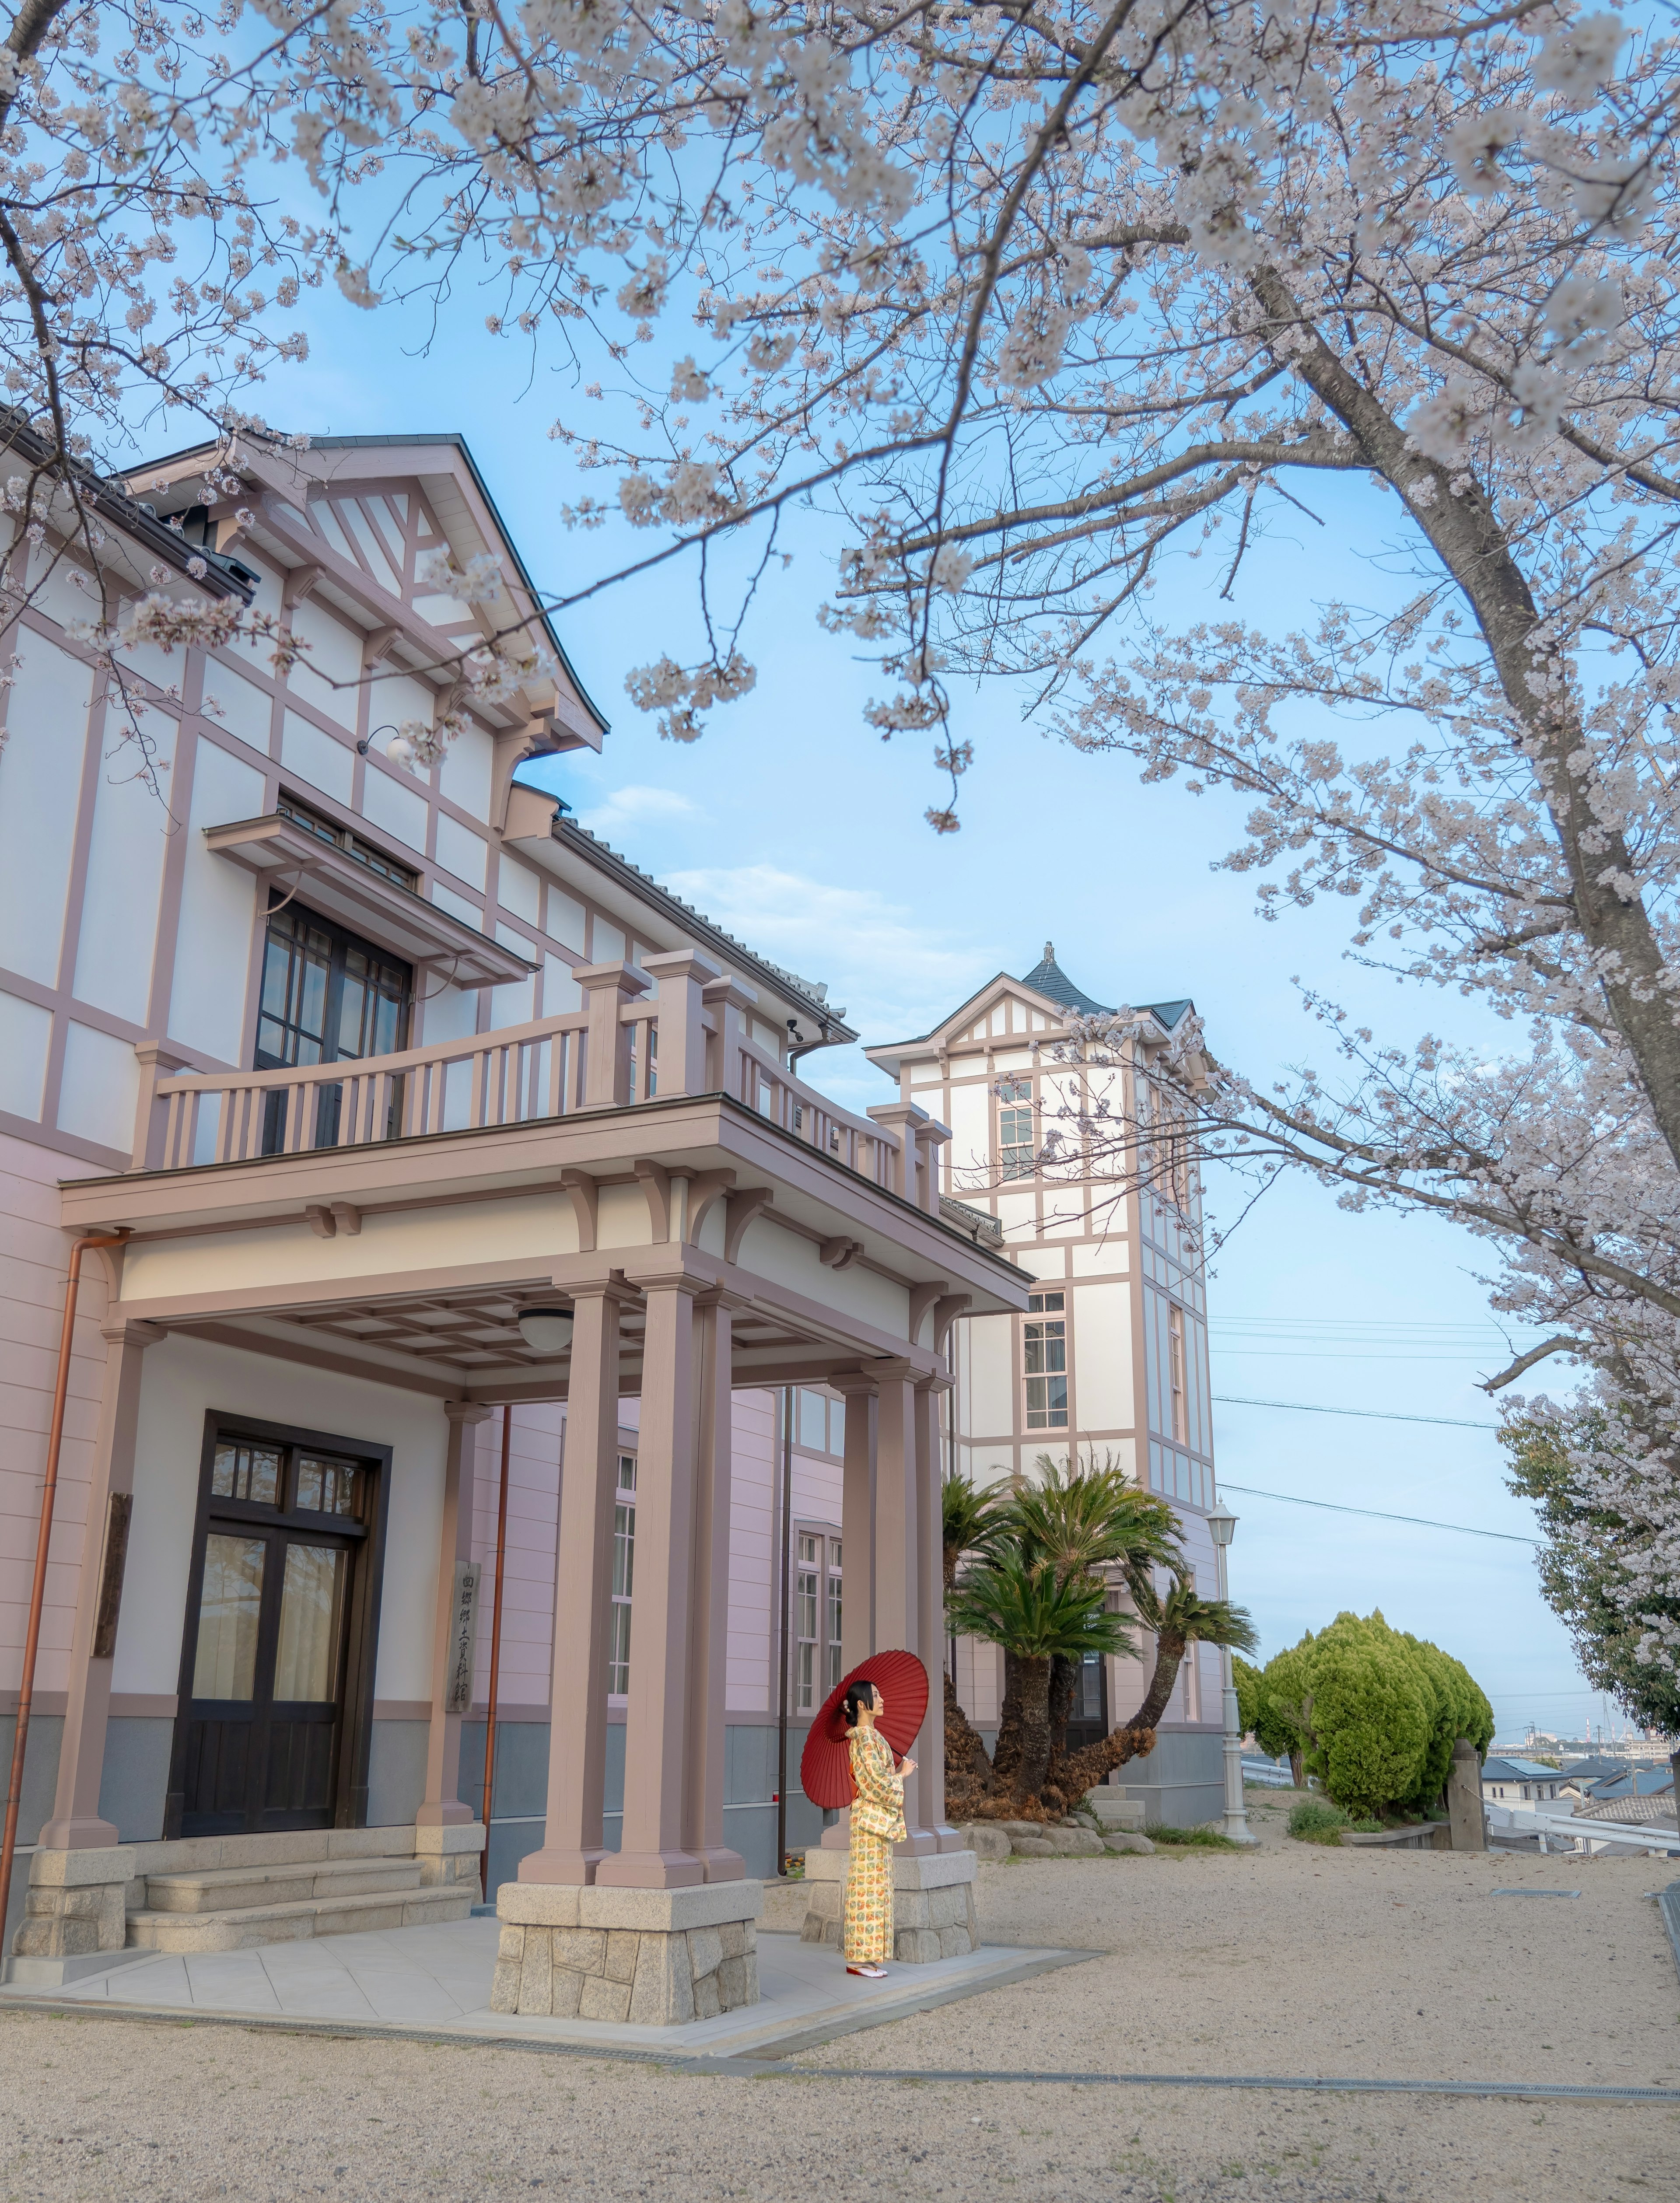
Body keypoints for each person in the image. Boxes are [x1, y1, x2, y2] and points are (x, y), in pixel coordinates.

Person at [842, 1678, 914, 1979]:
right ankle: (859, 1959)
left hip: (875, 1823)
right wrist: (902, 1775)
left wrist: (896, 1773)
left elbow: (878, 1781)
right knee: (868, 1890)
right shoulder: (865, 1739)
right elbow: (875, 1784)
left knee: (877, 1888)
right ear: (862, 1705)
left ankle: (868, 1957)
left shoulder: (873, 1737)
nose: (881, 1699)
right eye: (875, 1695)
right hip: (871, 1823)